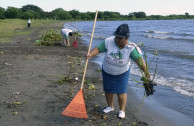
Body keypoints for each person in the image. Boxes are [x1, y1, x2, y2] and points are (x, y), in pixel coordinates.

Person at [86, 24, 149, 118]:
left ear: (126, 38)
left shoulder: (131, 48)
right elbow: (98, 49)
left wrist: (146, 74)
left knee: (121, 91)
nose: (117, 40)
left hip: (122, 72)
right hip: (107, 70)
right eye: (117, 37)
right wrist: (91, 54)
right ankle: (110, 106)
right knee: (108, 90)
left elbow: (140, 62)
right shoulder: (109, 41)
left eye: (121, 38)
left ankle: (122, 110)